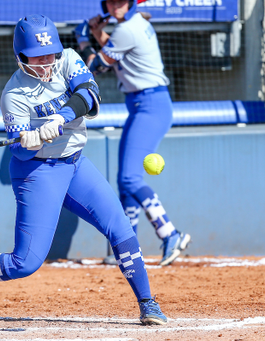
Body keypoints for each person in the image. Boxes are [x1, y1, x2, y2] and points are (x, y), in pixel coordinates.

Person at [0, 13, 167, 327]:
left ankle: (148, 303)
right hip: (38, 173)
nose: (46, 62)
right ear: (21, 57)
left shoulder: (68, 60)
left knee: (121, 229)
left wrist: (60, 117)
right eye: (37, 57)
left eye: (49, 54)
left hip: (76, 164)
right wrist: (27, 141)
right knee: (24, 263)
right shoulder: (13, 96)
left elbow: (91, 95)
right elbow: (20, 154)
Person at [73, 0, 191, 266]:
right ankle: (129, 247)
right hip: (144, 105)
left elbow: (97, 66)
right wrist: (97, 34)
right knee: (124, 180)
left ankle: (170, 233)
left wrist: (83, 40)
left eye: (121, 1)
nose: (115, 5)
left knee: (129, 178)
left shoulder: (127, 30)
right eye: (111, 1)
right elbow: (114, 49)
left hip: (150, 106)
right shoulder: (132, 26)